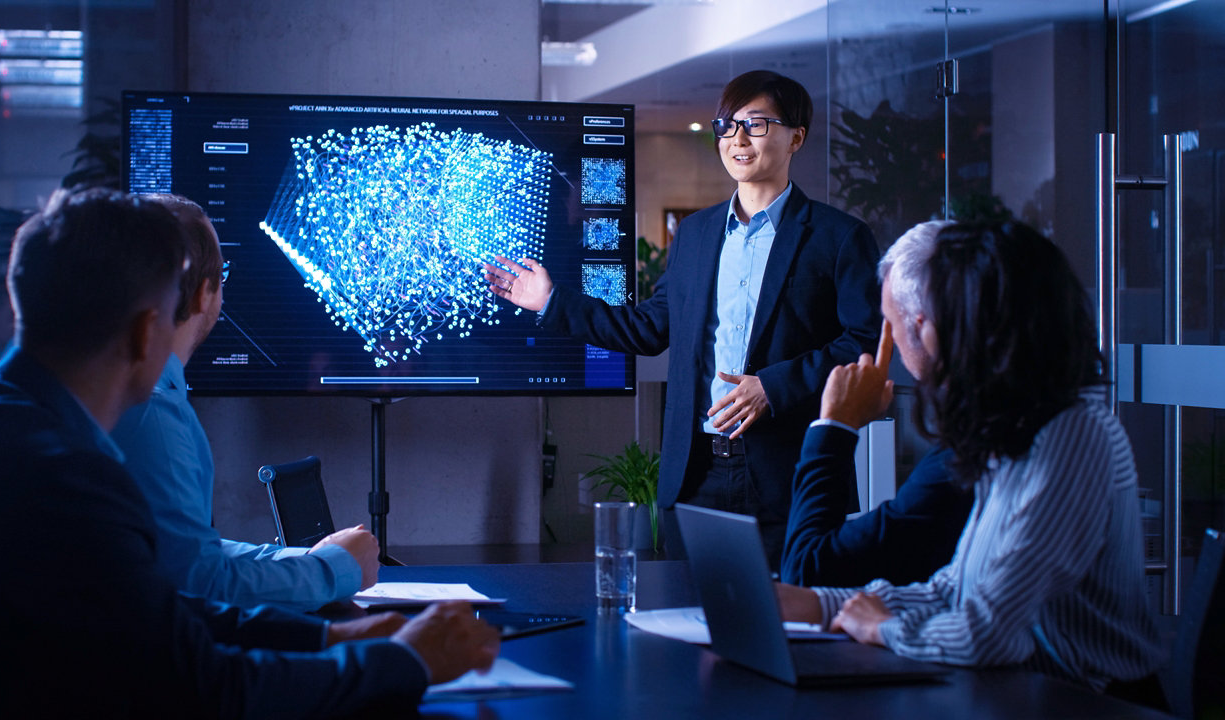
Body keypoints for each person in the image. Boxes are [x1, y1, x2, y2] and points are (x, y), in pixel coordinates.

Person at [0, 188, 499, 718]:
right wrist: (406, 660)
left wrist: (329, 634)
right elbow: (210, 690)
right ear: (146, 334)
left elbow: (154, 610)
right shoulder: (67, 482)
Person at [485, 70, 880, 566]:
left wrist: (772, 387)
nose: (737, 139)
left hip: (790, 474)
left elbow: (865, 343)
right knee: (691, 628)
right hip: (698, 476)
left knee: (796, 630)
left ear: (795, 136)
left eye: (756, 125)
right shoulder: (694, 233)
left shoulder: (838, 236)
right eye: (727, 125)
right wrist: (550, 301)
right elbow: (650, 329)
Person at [775, 220, 1164, 692]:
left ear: (932, 332)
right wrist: (821, 607)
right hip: (1024, 695)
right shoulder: (1013, 434)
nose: (892, 346)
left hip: (1089, 704)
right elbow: (952, 591)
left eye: (895, 328)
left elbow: (988, 632)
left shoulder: (1074, 435)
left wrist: (881, 628)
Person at [111, 194, 377, 611]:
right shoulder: (152, 414)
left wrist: (309, 560)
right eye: (223, 273)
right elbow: (201, 584)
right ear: (204, 293)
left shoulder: (144, 394)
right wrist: (334, 570)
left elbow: (191, 553)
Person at [780, 222, 972, 587]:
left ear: (925, 329)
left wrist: (835, 425)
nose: (890, 339)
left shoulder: (967, 461)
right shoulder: (1010, 429)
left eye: (889, 322)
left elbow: (808, 570)